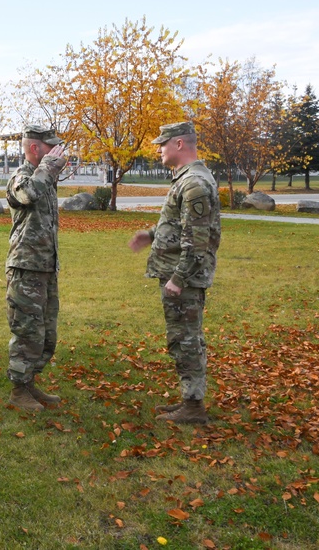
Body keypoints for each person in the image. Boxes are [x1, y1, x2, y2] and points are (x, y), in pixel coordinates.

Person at [129, 122, 221, 425]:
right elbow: (180, 226)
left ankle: (193, 407)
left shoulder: (193, 183)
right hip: (180, 277)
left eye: (162, 144)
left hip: (184, 280)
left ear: (179, 144)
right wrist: (152, 235)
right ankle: (189, 398)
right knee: (183, 338)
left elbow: (198, 242)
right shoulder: (186, 179)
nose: (158, 150)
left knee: (186, 341)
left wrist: (178, 280)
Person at [4, 124, 67, 412]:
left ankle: (29, 383)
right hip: (25, 267)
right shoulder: (22, 176)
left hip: (44, 266)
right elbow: (27, 195)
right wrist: (48, 168)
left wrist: (50, 170)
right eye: (49, 148)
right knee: (27, 330)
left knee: (45, 333)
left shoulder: (46, 178)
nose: (55, 152)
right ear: (34, 149)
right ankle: (19, 390)